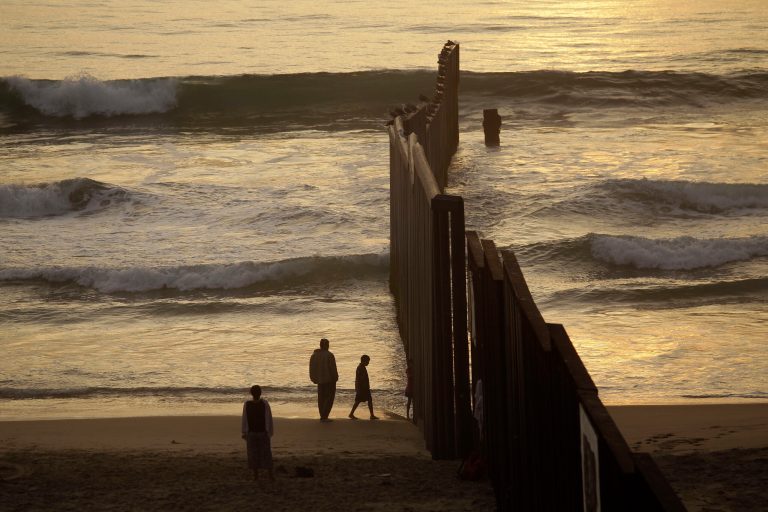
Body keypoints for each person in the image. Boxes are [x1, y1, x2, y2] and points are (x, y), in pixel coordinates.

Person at [241, 384, 274, 481]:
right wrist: (269, 431)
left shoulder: (247, 404)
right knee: (266, 454)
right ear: (261, 393)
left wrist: (244, 431)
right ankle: (270, 475)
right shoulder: (264, 404)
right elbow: (269, 418)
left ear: (251, 393)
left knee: (253, 455)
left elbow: (244, 419)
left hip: (253, 433)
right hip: (262, 432)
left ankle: (256, 476)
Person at [309, 338, 338, 422]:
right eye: (328, 344)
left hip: (319, 380)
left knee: (321, 398)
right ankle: (324, 416)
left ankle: (322, 415)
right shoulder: (329, 355)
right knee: (329, 398)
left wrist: (313, 378)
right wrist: (335, 377)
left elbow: (311, 368)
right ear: (326, 345)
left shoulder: (314, 355)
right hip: (329, 380)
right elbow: (333, 368)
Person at [348, 354, 378, 420]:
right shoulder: (360, 368)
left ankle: (371, 415)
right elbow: (361, 379)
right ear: (364, 361)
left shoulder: (361, 367)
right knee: (359, 401)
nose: (368, 363)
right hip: (362, 388)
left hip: (362, 387)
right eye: (367, 361)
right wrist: (360, 388)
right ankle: (351, 414)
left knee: (364, 400)